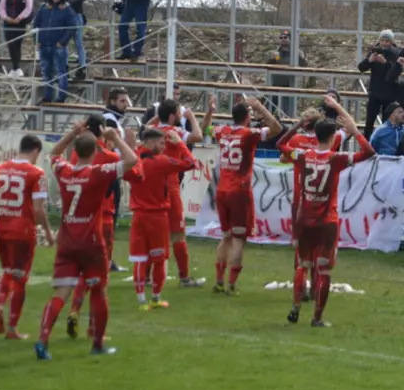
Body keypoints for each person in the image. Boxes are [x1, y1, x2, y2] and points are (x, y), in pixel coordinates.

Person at [36, 121, 137, 360]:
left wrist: (71, 133)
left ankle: (42, 341)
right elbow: (132, 161)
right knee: (99, 291)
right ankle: (98, 344)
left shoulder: (63, 170)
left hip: (67, 241)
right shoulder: (98, 173)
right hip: (91, 242)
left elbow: (53, 153)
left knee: (61, 292)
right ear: (94, 152)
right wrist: (116, 137)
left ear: (75, 152)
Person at [279, 97, 374, 326]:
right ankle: (317, 317)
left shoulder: (302, 155)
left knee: (303, 264)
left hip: (305, 218)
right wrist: (355, 132)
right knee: (325, 270)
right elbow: (369, 152)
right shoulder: (336, 158)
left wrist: (297, 125)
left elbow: (280, 145)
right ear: (332, 138)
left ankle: (295, 306)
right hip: (327, 221)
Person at [0, 134, 53, 340]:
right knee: (19, 279)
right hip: (23, 232)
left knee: (7, 271)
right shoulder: (36, 173)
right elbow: (38, 210)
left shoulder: (0, 169)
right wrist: (46, 230)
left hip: (2, 228)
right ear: (35, 151)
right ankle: (12, 329)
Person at [211, 97, 282, 295]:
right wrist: (261, 107)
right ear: (248, 117)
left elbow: (205, 128)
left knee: (225, 236)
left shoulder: (221, 131)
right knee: (238, 239)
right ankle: (231, 285)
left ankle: (218, 281)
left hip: (222, 190)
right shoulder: (249, 133)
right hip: (239, 192)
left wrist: (209, 111)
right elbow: (277, 128)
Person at [144, 98, 212, 287]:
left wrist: (159, 116)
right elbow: (197, 136)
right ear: (173, 115)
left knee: (155, 233)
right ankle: (184, 277)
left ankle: (146, 277)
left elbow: (144, 127)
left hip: (152, 186)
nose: (182, 115)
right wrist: (192, 118)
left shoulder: (153, 133)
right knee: (178, 234)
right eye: (179, 113)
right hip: (170, 186)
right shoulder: (175, 133)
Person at [130, 127, 199, 310]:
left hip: (138, 216)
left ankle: (140, 300)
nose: (163, 147)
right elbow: (191, 163)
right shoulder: (162, 161)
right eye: (161, 143)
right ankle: (156, 297)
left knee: (139, 258)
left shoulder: (133, 159)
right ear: (151, 143)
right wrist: (181, 145)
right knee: (160, 258)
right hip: (158, 216)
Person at [31, 0, 77, 104]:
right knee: (46, 72)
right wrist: (37, 40)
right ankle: (47, 96)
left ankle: (61, 97)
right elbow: (35, 25)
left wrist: (62, 42)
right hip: (44, 45)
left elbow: (72, 27)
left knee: (61, 71)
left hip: (58, 46)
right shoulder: (43, 8)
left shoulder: (67, 9)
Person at [358, 30, 400, 135]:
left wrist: (385, 63)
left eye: (387, 41)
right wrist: (369, 60)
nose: (384, 43)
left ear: (391, 42)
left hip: (389, 92)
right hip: (375, 91)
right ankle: (367, 142)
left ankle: (386, 141)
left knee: (388, 120)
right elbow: (361, 68)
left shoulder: (395, 53)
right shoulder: (374, 52)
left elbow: (397, 71)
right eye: (382, 40)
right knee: (370, 120)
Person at [0, 0, 33, 77]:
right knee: (11, 44)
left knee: (17, 44)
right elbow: (2, 7)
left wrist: (20, 18)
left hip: (20, 23)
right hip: (8, 23)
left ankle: (16, 67)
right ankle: (16, 67)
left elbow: (28, 8)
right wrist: (5, 17)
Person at [60, 0, 89, 79]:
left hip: (76, 14)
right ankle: (64, 68)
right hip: (64, 16)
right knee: (64, 43)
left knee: (78, 42)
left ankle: (82, 68)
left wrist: (67, 3)